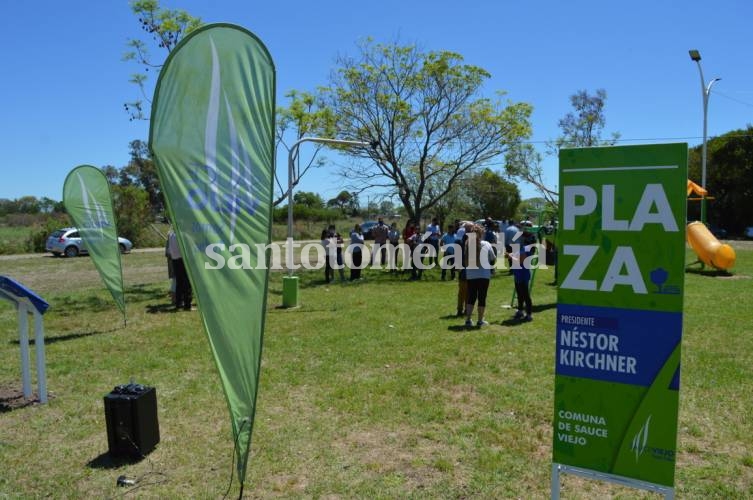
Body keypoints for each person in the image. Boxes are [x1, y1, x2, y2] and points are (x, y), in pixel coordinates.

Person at [463, 224, 496, 327]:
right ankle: (480, 320)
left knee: (471, 297)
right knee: (482, 298)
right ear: (481, 234)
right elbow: (492, 258)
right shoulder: (486, 244)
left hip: (471, 275)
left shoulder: (468, 244)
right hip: (483, 275)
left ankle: (468, 320)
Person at [167, 228, 192, 311]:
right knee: (187, 283)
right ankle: (187, 305)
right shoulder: (184, 234)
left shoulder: (171, 235)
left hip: (175, 260)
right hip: (183, 259)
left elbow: (169, 250)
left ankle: (179, 304)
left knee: (179, 283)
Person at [509, 243, 533, 322]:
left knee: (525, 295)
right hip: (518, 274)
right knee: (519, 294)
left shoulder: (524, 248)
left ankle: (529, 315)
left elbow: (521, 260)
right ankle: (520, 311)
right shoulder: (519, 248)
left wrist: (511, 257)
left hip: (523, 275)